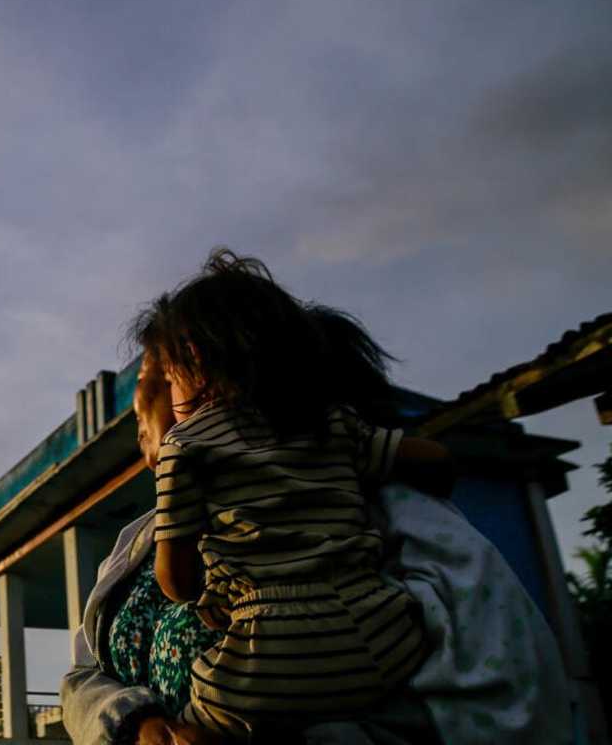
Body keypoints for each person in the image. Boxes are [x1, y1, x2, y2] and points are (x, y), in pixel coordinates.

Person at [60, 249, 573, 745]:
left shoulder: (386, 511)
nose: (140, 413)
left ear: (202, 375)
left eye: (156, 378)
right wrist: (135, 725)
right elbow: (82, 677)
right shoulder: (137, 541)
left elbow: (502, 699)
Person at [133, 250, 448, 739]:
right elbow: (434, 460)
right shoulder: (333, 424)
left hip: (270, 652)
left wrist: (206, 591)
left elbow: (174, 579)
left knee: (192, 728)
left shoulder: (187, 446)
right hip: (383, 638)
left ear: (194, 361)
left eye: (168, 378)